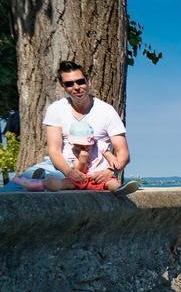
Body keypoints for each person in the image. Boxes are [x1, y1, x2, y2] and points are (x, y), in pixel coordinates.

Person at [41, 60, 137, 194]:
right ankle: (39, 180)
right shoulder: (56, 109)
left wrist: (109, 171)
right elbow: (54, 151)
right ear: (63, 86)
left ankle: (119, 189)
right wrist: (69, 172)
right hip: (65, 171)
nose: (76, 87)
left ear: (88, 82)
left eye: (80, 81)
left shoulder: (106, 111)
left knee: (112, 183)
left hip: (98, 173)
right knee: (29, 180)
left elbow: (123, 152)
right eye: (69, 84)